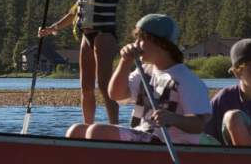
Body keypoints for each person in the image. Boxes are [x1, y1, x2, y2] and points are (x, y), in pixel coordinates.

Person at [67, 14, 211, 144]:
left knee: (97, 132)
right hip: (143, 135)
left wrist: (173, 119)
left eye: (141, 39)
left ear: (161, 43)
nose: (135, 44)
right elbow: (116, 94)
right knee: (76, 130)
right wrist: (125, 61)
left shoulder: (187, 80)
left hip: (168, 144)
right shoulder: (145, 70)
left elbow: (199, 124)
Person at [38, 0, 122, 125]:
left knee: (104, 85)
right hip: (86, 36)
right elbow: (75, 11)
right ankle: (88, 127)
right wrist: (53, 28)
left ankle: (114, 127)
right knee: (85, 87)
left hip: (104, 36)